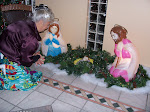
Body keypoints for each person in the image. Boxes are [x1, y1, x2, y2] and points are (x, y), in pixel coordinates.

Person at [0, 4, 54, 91]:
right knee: (27, 81)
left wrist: (31, 54)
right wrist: (35, 58)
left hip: (3, 47)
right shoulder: (32, 39)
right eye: (47, 25)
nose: (47, 28)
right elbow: (25, 62)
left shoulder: (25, 23)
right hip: (5, 55)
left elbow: (20, 44)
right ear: (40, 22)